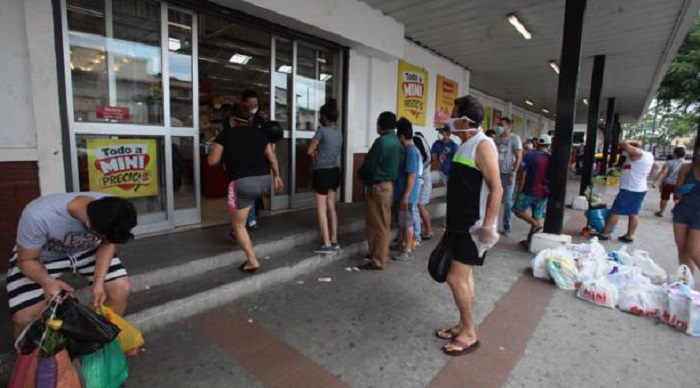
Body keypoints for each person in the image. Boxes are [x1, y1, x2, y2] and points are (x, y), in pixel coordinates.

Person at [7, 194, 137, 336]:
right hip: (42, 255)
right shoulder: (38, 215)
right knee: (24, 317)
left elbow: (108, 244)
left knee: (121, 289)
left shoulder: (112, 208)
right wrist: (47, 282)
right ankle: (29, 355)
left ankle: (101, 341)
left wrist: (98, 282)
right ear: (88, 224)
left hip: (85, 250)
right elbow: (26, 260)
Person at [435, 95, 502, 356]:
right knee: (465, 277)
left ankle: (469, 333)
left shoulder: (483, 145)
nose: (450, 119)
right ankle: (463, 324)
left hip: (472, 228)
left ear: (464, 120)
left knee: (454, 279)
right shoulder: (466, 143)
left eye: (454, 114)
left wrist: (487, 226)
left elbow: (497, 188)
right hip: (459, 224)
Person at [208, 103, 284, 273]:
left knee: (239, 224)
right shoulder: (259, 134)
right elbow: (272, 158)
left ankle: (252, 260)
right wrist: (277, 176)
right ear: (249, 119)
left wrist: (220, 149)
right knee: (243, 209)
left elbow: (212, 161)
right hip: (264, 180)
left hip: (242, 183)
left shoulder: (225, 134)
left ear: (232, 119)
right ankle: (237, 231)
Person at [358, 112, 402, 270]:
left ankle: (378, 260)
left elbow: (369, 165)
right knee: (381, 222)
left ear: (380, 125)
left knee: (377, 224)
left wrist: (361, 174)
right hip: (388, 186)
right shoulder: (396, 141)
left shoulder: (381, 142)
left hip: (377, 186)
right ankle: (378, 254)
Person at [598, 140, 654, 243]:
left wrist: (631, 142)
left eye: (627, 150)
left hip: (630, 189)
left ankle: (605, 234)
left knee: (615, 211)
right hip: (638, 189)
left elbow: (622, 142)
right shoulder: (648, 155)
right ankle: (629, 236)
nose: (625, 152)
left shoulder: (638, 154)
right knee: (633, 212)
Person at [307, 99, 343, 254]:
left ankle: (326, 244)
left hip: (321, 172)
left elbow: (309, 151)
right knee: (331, 207)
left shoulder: (321, 130)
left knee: (321, 210)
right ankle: (334, 240)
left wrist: (316, 152)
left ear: (325, 117)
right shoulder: (339, 132)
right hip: (335, 171)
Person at [392, 118, 422, 261]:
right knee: (402, 222)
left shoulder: (411, 151)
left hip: (407, 195)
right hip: (402, 193)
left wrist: (405, 196)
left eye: (398, 134)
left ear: (402, 136)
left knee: (407, 222)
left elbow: (412, 175)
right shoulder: (407, 150)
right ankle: (402, 243)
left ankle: (408, 249)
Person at [513, 134, 551, 244]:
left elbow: (524, 175)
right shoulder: (550, 157)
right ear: (549, 145)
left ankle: (534, 224)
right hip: (543, 192)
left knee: (518, 210)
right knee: (537, 215)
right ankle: (531, 241)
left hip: (529, 190)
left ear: (537, 143)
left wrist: (520, 189)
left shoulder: (530, 155)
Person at [241, 90, 268, 230]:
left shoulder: (261, 119)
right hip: (243, 161)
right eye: (250, 104)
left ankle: (253, 214)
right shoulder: (238, 119)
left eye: (255, 104)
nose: (253, 107)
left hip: (258, 160)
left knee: (256, 191)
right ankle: (249, 218)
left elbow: (266, 140)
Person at [672, 144, 700, 273]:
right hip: (682, 212)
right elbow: (676, 193)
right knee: (682, 249)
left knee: (694, 251)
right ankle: (686, 282)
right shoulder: (686, 167)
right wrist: (681, 191)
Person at [494, 117, 523, 236]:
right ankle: (492, 225)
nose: (499, 127)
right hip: (496, 173)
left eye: (501, 125)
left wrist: (513, 173)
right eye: (498, 124)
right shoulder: (496, 139)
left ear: (509, 127)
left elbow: (519, 157)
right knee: (494, 199)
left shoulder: (514, 139)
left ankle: (507, 226)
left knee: (507, 201)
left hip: (508, 174)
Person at [652, 147, 686, 217]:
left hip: (668, 183)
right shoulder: (687, 164)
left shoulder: (669, 162)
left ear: (674, 154)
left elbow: (663, 173)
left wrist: (657, 182)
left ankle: (661, 212)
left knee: (664, 198)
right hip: (680, 184)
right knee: (677, 199)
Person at [413, 131, 434, 240]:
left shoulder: (422, 159)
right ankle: (427, 230)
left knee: (420, 206)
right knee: (420, 206)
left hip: (424, 182)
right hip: (424, 181)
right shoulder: (426, 154)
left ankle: (429, 230)